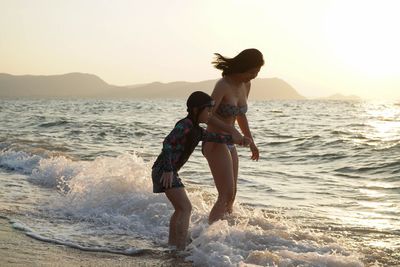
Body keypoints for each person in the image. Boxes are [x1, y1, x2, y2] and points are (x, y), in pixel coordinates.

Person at [152, 91, 250, 250]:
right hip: (164, 170)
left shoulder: (196, 130)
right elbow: (167, 143)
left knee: (180, 209)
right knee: (185, 208)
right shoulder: (185, 125)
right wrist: (169, 170)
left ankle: (172, 245)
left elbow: (215, 138)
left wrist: (238, 140)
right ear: (197, 110)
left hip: (165, 170)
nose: (210, 114)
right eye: (208, 110)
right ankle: (180, 247)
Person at [202, 48, 264, 224]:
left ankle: (225, 236)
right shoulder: (223, 85)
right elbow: (207, 115)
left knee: (232, 195)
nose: (254, 76)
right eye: (252, 72)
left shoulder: (246, 85)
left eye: (257, 72)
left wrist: (250, 140)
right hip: (214, 141)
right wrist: (231, 130)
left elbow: (240, 114)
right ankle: (206, 237)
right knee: (225, 194)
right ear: (242, 67)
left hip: (230, 143)